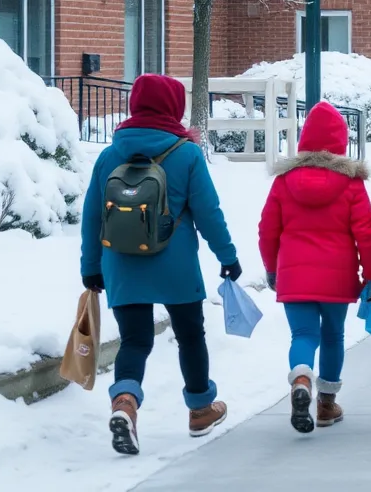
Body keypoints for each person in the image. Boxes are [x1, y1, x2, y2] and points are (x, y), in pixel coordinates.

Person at [80, 74, 240, 456]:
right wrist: (227, 256)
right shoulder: (186, 154)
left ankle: (125, 402)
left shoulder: (109, 155)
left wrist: (91, 266)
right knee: (190, 336)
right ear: (174, 106)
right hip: (176, 266)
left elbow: (91, 217)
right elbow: (208, 213)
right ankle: (201, 408)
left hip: (121, 263)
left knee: (135, 341)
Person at [258, 101, 371, 435]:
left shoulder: (285, 181)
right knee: (332, 336)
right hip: (337, 279)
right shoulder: (351, 184)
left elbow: (267, 229)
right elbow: (367, 234)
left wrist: (272, 268)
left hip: (294, 276)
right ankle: (327, 405)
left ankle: (301, 378)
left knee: (303, 335)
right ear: (341, 143)